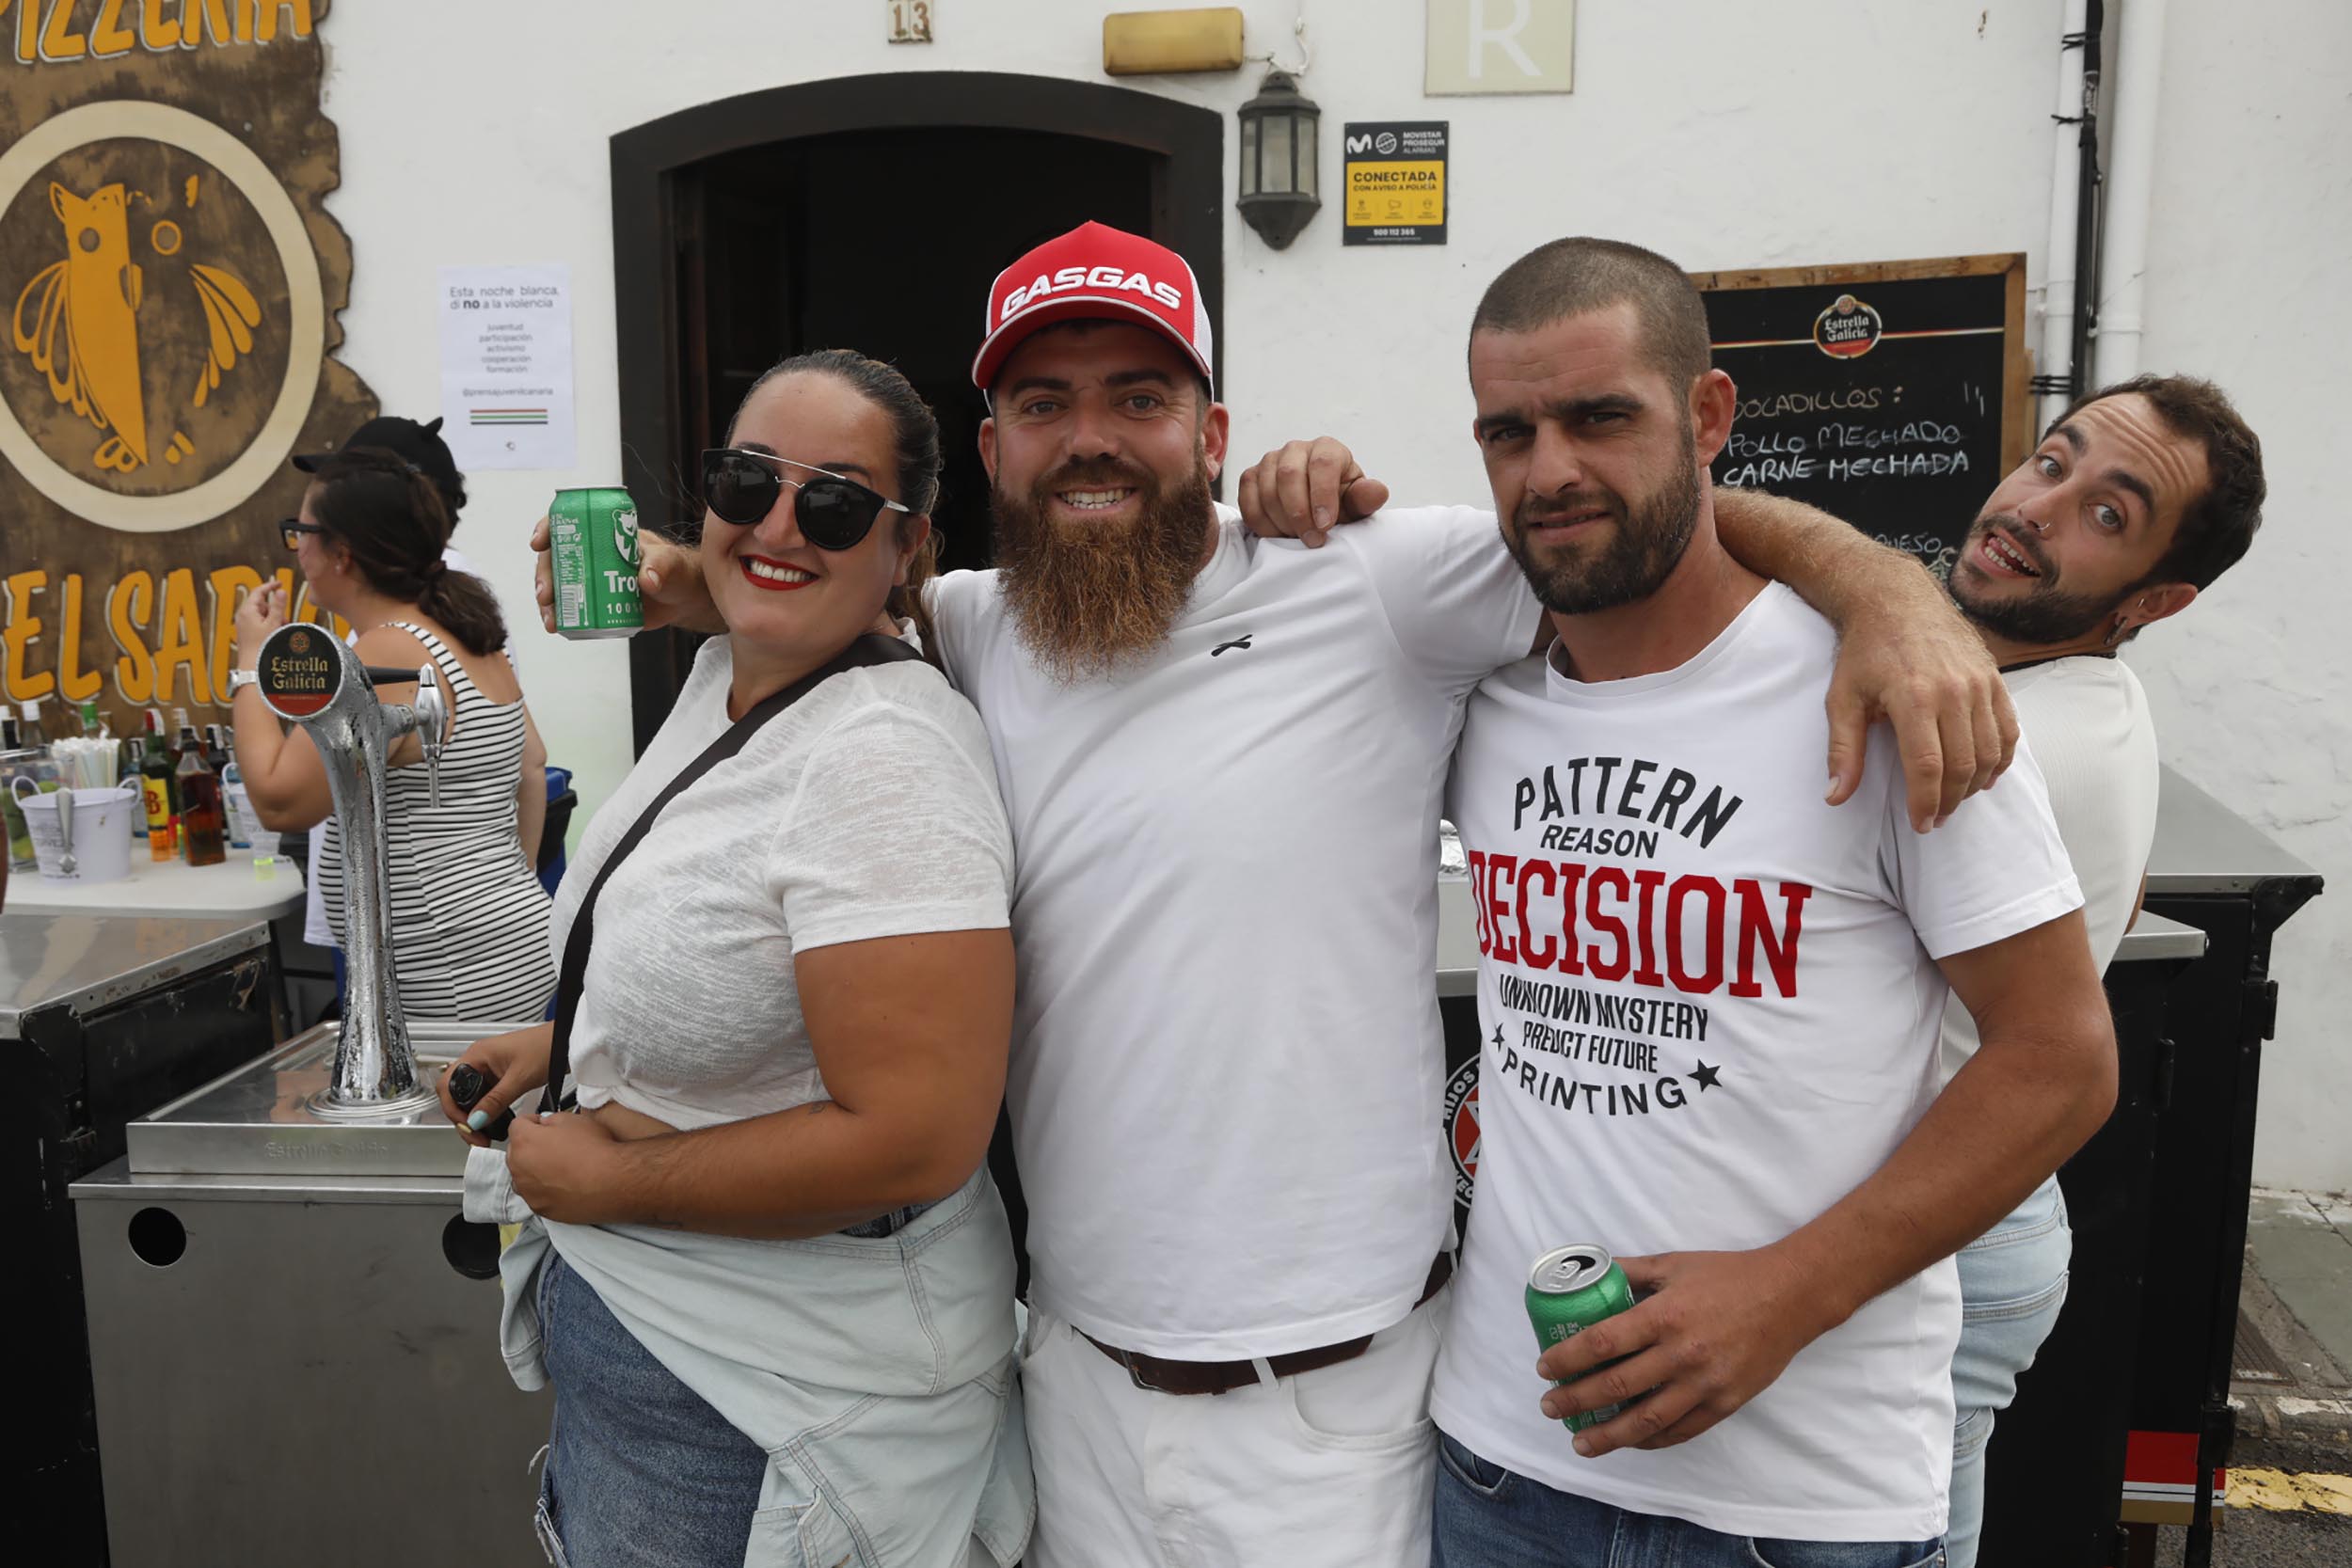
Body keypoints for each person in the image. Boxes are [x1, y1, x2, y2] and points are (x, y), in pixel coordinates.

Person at [536, 222, 2016, 1568]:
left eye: (1138, 396)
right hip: (1071, 1386)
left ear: (1215, 432)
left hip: (1332, 1420)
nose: (1089, 438)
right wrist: (686, 570)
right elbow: (824, 573)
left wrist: (1892, 594)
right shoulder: (975, 630)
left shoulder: (1373, 580)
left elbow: (1628, 520)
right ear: (991, 449)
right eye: (1045, 403)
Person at [1404, 237, 2113, 1566]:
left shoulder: (1885, 693)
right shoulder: (1478, 699)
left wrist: (1792, 1290)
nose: (1548, 469)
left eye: (1600, 417)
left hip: (1801, 1506)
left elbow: (2061, 1055)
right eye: (1509, 432)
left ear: (1708, 414)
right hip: (1504, 1462)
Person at [449, 351, 1029, 1568]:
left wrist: (615, 1180)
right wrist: (572, 1045)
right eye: (746, 481)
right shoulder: (736, 673)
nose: (777, 524)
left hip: (768, 1410)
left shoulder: (882, 758)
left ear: (907, 547)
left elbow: (915, 1137)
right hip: (670, 1377)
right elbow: (760, 973)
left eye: (836, 504)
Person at [231, 448, 557, 1021]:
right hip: (497, 943)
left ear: (343, 553)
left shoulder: (389, 651)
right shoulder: (463, 631)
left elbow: (280, 802)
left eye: (302, 532)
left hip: (448, 966)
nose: (297, 548)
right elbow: (534, 764)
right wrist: (499, 889)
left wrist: (253, 660)